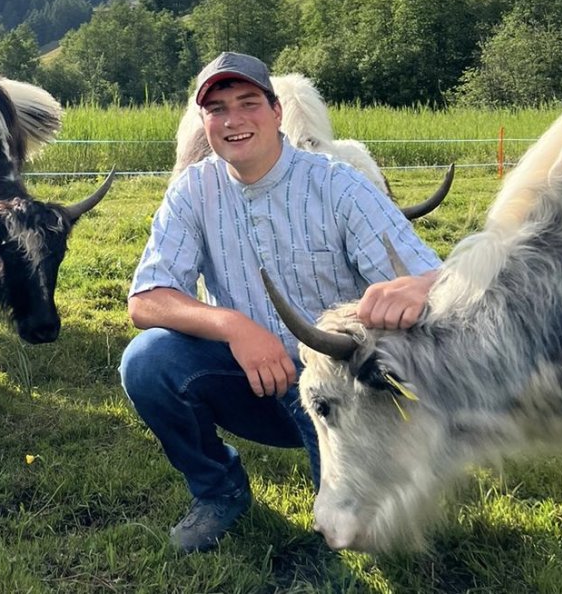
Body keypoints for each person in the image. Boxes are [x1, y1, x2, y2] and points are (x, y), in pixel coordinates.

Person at [120, 51, 441, 553]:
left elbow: (430, 279)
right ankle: (219, 491)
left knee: (363, 539)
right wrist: (234, 327)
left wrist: (418, 289)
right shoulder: (193, 190)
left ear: (276, 112)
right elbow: (146, 299)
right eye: (217, 109)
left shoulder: (338, 183)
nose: (233, 120)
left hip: (343, 390)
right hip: (251, 379)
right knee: (147, 362)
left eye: (248, 103)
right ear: (205, 124)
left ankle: (381, 478)